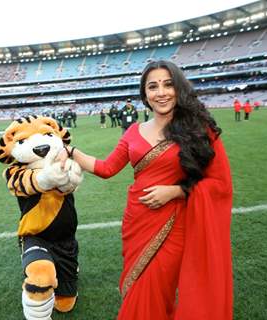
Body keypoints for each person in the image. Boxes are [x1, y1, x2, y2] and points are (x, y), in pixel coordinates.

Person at [57, 60, 233, 319]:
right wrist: (70, 151)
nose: (161, 92)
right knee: (134, 287)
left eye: (167, 84)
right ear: (145, 94)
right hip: (136, 221)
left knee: (154, 289)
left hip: (174, 224)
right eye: (153, 86)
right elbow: (107, 168)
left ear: (179, 88)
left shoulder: (198, 130)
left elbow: (219, 183)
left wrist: (175, 192)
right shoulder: (133, 131)